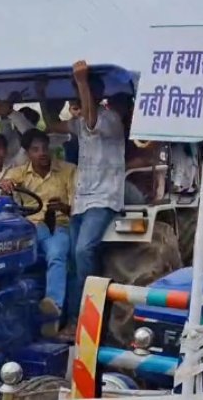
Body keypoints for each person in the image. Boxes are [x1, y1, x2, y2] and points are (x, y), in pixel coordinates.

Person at [38, 61, 125, 339]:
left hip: (103, 198)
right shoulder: (77, 124)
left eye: (82, 90)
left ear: (97, 93)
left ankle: (90, 313)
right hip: (82, 199)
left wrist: (82, 81)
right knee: (72, 261)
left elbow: (91, 122)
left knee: (83, 251)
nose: (78, 94)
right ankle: (69, 318)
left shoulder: (110, 119)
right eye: (76, 90)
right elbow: (52, 124)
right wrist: (42, 95)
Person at [0, 129, 76, 337]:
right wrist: (5, 186)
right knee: (8, 255)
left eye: (44, 148)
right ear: (27, 153)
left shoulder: (68, 170)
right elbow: (2, 189)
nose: (42, 153)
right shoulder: (18, 173)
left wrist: (63, 207)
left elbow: (77, 207)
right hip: (31, 228)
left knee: (56, 255)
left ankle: (52, 311)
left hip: (59, 225)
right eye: (35, 149)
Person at [0, 96, 39, 167]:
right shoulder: (8, 136)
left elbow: (28, 132)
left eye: (31, 122)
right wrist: (7, 111)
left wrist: (9, 111)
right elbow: (5, 123)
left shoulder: (39, 140)